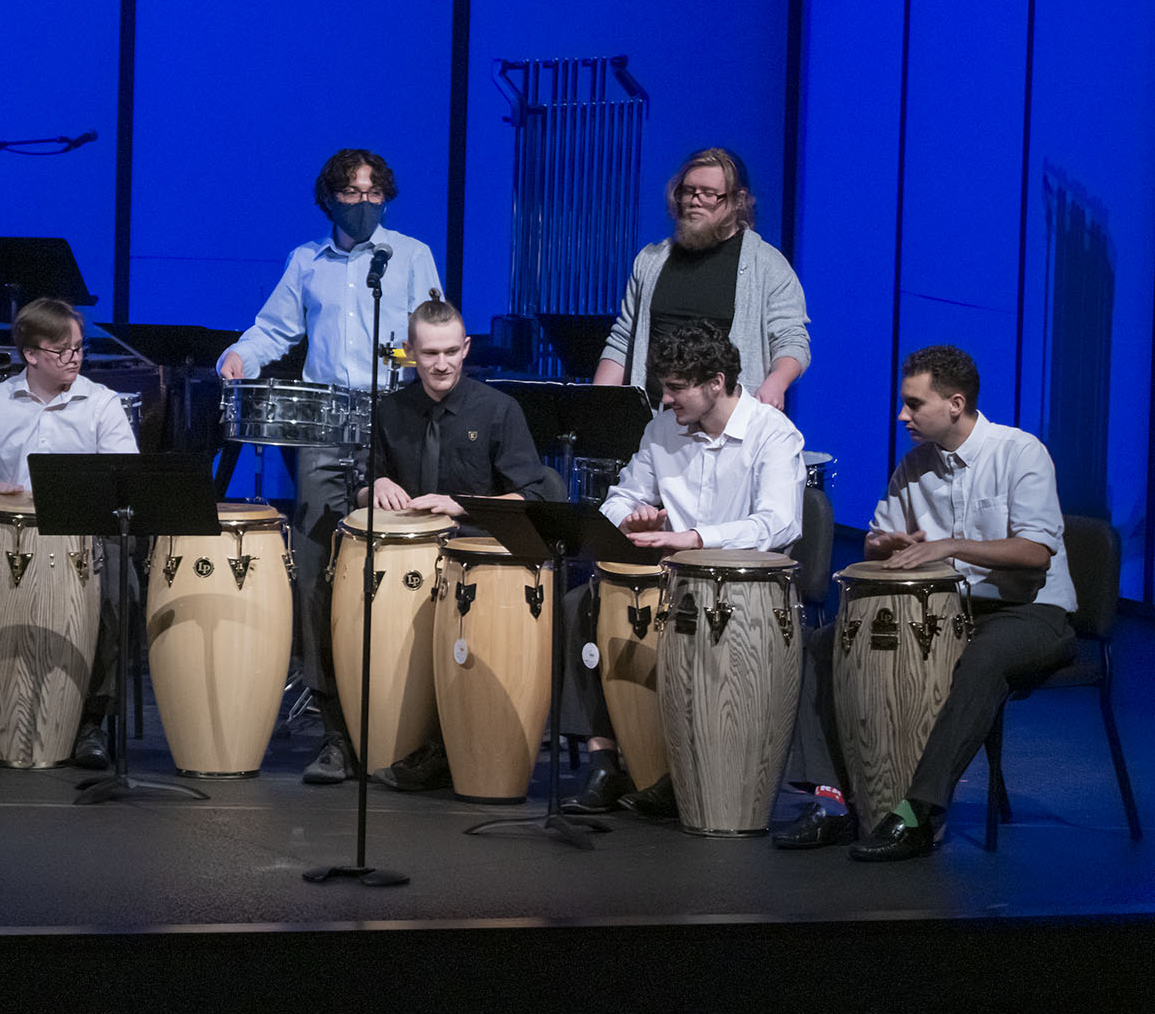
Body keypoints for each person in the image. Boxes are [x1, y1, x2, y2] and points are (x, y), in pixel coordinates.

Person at [772, 345, 1077, 860]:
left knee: (982, 661)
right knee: (822, 644)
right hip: (944, 614)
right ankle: (831, 800)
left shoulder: (1020, 453)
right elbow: (875, 539)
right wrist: (891, 545)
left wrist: (950, 546)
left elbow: (1034, 552)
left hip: (1030, 612)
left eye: (914, 404)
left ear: (955, 404)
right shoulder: (914, 465)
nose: (902, 415)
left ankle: (916, 813)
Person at [217, 148, 442, 785]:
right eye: (352, 193)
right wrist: (241, 357)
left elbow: (432, 330)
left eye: (375, 193)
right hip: (323, 425)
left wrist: (404, 358)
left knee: (402, 558)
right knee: (318, 567)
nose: (365, 203)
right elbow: (272, 330)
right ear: (329, 199)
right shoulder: (305, 262)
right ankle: (334, 724)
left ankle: (411, 718)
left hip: (395, 416)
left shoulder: (411, 254)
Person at [566, 319, 806, 816]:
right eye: (664, 389)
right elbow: (623, 495)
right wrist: (631, 517)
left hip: (737, 589)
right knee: (578, 604)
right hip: (665, 578)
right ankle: (605, 760)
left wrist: (696, 538)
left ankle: (685, 770)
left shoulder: (772, 435)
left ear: (715, 382)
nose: (666, 400)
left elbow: (779, 523)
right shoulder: (662, 428)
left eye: (676, 389)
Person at [0, 297, 137, 769]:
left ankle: (90, 721)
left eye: (80, 348)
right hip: (9, 537)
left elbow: (127, 477)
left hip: (82, 533)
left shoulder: (101, 404)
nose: (75, 358)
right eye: (63, 350)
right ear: (32, 354)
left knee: (122, 582)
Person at [359, 294, 553, 792]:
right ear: (409, 352)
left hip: (478, 566)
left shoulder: (498, 410)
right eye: (428, 354)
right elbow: (356, 488)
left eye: (450, 351)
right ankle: (376, 738)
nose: (441, 363)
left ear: (466, 348)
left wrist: (460, 504)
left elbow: (534, 493)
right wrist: (373, 486)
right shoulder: (389, 410)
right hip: (406, 563)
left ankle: (449, 750)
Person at [594, 147, 811, 409]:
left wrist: (776, 381)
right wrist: (598, 404)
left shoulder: (766, 265)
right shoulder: (651, 260)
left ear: (738, 200)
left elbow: (791, 340)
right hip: (655, 420)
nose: (695, 200)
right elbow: (622, 340)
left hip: (725, 428)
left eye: (709, 194)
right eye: (689, 191)